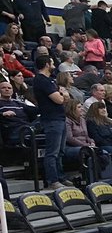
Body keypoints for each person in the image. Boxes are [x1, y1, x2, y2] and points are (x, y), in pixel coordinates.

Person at [32, 54, 69, 187]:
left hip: (60, 117)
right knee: (52, 152)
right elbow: (59, 99)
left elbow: (64, 98)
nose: (54, 65)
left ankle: (61, 177)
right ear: (47, 64)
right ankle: (53, 180)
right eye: (52, 62)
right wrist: (63, 94)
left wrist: (63, 95)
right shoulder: (42, 80)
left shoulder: (50, 80)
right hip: (51, 119)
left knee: (60, 151)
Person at [85, 102, 112, 177]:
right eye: (100, 108)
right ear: (95, 110)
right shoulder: (91, 122)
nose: (104, 110)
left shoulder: (109, 121)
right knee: (110, 149)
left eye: (104, 108)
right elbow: (97, 138)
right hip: (102, 145)